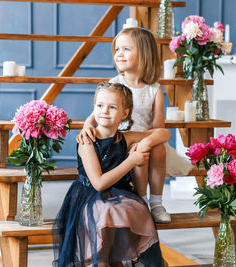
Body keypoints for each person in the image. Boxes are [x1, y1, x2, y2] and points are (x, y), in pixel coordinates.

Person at [77, 27, 193, 224]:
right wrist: (86, 127)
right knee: (137, 150)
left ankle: (156, 202)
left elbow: (158, 128)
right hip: (120, 138)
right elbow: (94, 115)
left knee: (157, 149)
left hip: (143, 137)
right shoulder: (115, 83)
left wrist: (148, 141)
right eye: (117, 50)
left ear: (144, 53)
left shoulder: (154, 89)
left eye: (126, 49)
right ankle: (141, 200)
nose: (119, 54)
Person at [53, 82, 170, 267]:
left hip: (118, 194)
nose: (104, 111)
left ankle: (113, 260)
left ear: (125, 113)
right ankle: (101, 261)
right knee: (107, 217)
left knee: (132, 210)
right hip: (90, 197)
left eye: (112, 107)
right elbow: (99, 183)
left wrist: (146, 142)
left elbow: (163, 133)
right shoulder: (87, 141)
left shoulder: (125, 137)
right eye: (99, 106)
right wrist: (131, 161)